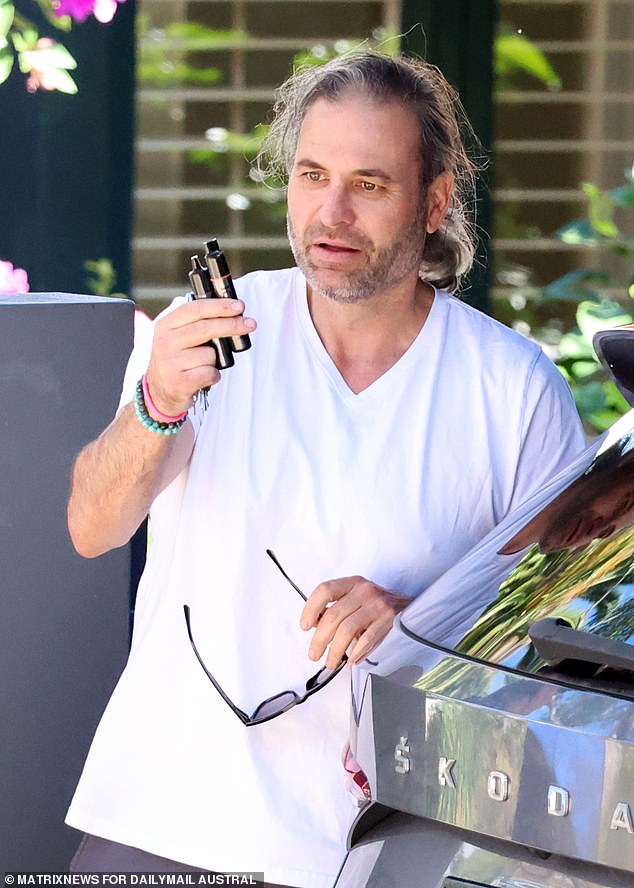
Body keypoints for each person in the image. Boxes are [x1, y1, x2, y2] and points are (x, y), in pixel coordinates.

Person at [65, 50, 586, 885]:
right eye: (311, 175)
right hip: (165, 821)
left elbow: (560, 653)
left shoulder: (511, 386)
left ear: (435, 202)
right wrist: (156, 402)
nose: (329, 213)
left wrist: (418, 628)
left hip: (389, 851)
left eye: (370, 184)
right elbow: (92, 528)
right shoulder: (212, 335)